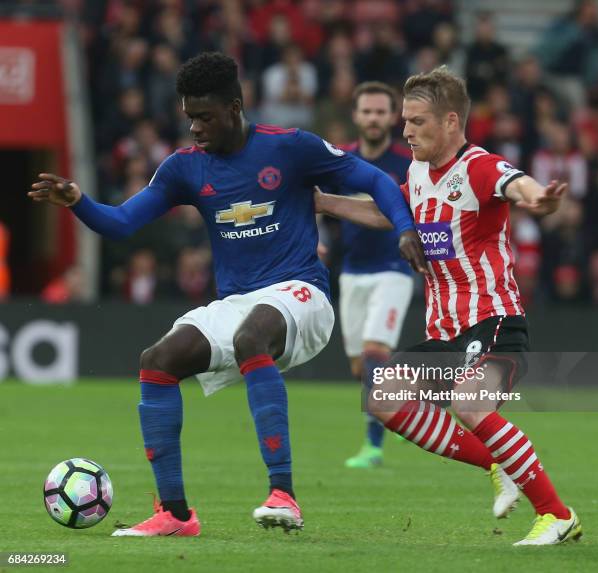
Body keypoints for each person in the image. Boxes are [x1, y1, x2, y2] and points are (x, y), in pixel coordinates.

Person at [29, 52, 427, 537]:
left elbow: (375, 180)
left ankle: (284, 495)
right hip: (238, 302)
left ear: (235, 107)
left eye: (205, 117)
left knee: (250, 335)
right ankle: (175, 514)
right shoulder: (184, 169)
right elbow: (121, 223)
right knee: (158, 358)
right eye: (189, 117)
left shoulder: (292, 147)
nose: (195, 128)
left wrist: (405, 229)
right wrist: (78, 201)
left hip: (302, 293)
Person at [315, 67, 581, 546]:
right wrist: (322, 201)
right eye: (405, 121)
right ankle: (497, 463)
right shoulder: (417, 174)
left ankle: (557, 514)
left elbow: (515, 183)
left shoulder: (478, 166)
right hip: (445, 332)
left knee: (469, 401)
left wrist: (538, 198)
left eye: (417, 121)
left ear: (451, 122)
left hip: (495, 321)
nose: (406, 131)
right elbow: (383, 211)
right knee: (382, 395)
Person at [320, 81, 415, 468]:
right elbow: (310, 201)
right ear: (356, 116)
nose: (374, 118)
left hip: (394, 270)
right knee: (362, 366)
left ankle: (374, 446)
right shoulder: (341, 161)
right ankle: (408, 393)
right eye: (367, 111)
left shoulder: (406, 164)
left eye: (381, 112)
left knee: (376, 354)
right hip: (352, 272)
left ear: (393, 117)